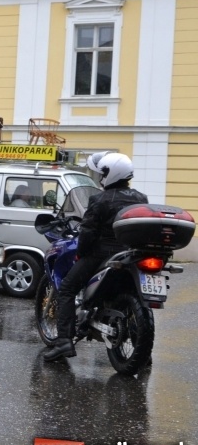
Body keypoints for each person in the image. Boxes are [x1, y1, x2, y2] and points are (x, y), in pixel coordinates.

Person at [44, 151, 148, 362]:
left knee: (67, 289)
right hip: (130, 256)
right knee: (135, 295)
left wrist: (80, 254)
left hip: (101, 255)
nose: (100, 177)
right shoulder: (140, 198)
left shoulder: (99, 199)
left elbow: (88, 232)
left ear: (110, 174)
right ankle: (143, 351)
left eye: (103, 173)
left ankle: (64, 341)